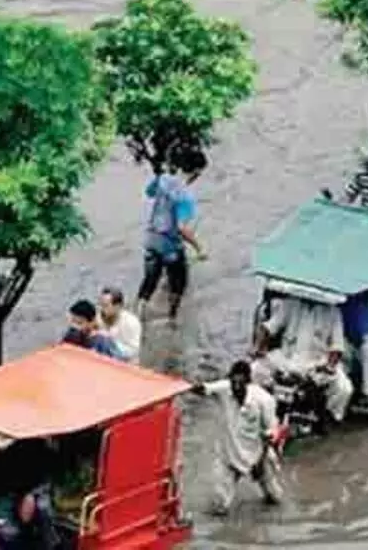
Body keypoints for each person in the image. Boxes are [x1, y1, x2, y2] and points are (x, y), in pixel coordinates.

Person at [191, 360, 282, 516]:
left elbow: (271, 433)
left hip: (258, 454)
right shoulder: (224, 388)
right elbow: (202, 389)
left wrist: (259, 463)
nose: (236, 387)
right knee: (219, 506)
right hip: (230, 456)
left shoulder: (264, 400)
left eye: (240, 384)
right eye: (233, 383)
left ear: (248, 382)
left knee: (274, 498)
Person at [253, 295, 354, 426]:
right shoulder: (290, 303)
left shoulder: (333, 312)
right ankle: (257, 407)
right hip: (287, 358)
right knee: (254, 369)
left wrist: (329, 366)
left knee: (344, 388)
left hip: (316, 363)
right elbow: (268, 328)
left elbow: (337, 345)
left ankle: (328, 418)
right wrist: (260, 347)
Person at [136, 145, 207, 321]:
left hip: (151, 240)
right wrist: (199, 248)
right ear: (197, 172)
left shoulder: (163, 179)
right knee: (178, 284)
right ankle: (172, 318)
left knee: (149, 282)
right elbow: (181, 227)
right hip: (170, 248)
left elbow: (149, 192)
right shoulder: (186, 197)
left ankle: (137, 316)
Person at [97, 287, 142, 364]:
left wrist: (111, 342)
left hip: (125, 365)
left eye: (105, 306)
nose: (102, 309)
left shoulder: (131, 322)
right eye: (100, 305)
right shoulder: (99, 317)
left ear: (117, 306)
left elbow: (133, 351)